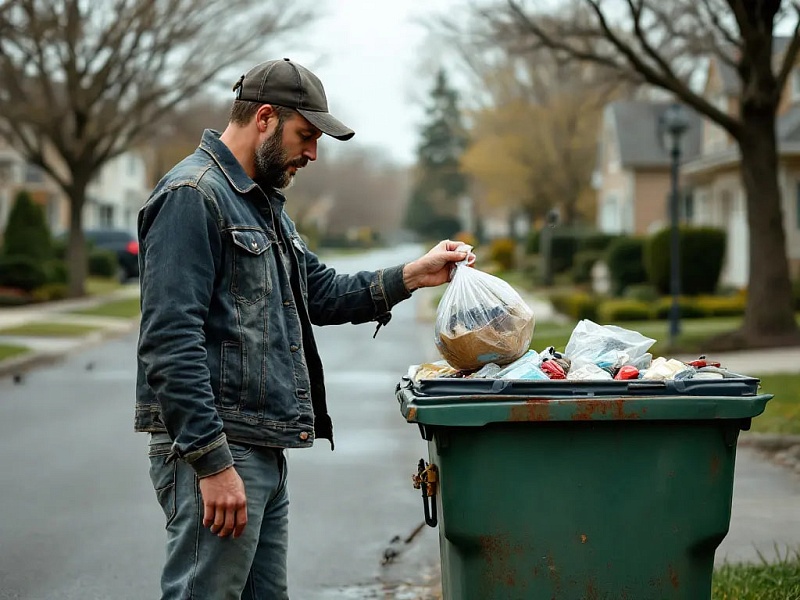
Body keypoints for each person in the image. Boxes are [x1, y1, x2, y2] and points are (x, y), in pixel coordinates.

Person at [135, 57, 471, 600]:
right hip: (221, 449)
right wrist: (212, 462)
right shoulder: (192, 196)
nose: (312, 153)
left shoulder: (263, 206)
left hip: (261, 447)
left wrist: (413, 274)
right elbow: (169, 341)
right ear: (264, 118)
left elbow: (320, 292)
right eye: (306, 135)